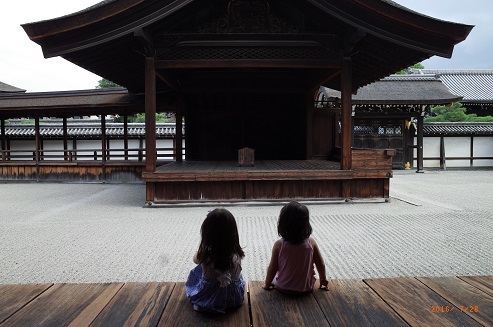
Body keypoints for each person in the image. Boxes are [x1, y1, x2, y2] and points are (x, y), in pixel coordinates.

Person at [185, 208, 246, 313]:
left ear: (207, 234)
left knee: (198, 269)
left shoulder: (204, 254)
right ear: (233, 233)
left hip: (209, 296)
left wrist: (200, 252)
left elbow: (195, 260)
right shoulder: (237, 254)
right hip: (234, 299)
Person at [263, 201, 329, 293]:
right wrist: (323, 279)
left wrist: (267, 284)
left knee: (270, 269)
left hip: (284, 287)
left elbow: (272, 268)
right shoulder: (311, 242)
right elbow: (320, 263)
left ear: (283, 223)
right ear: (306, 224)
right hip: (306, 288)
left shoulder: (279, 244)